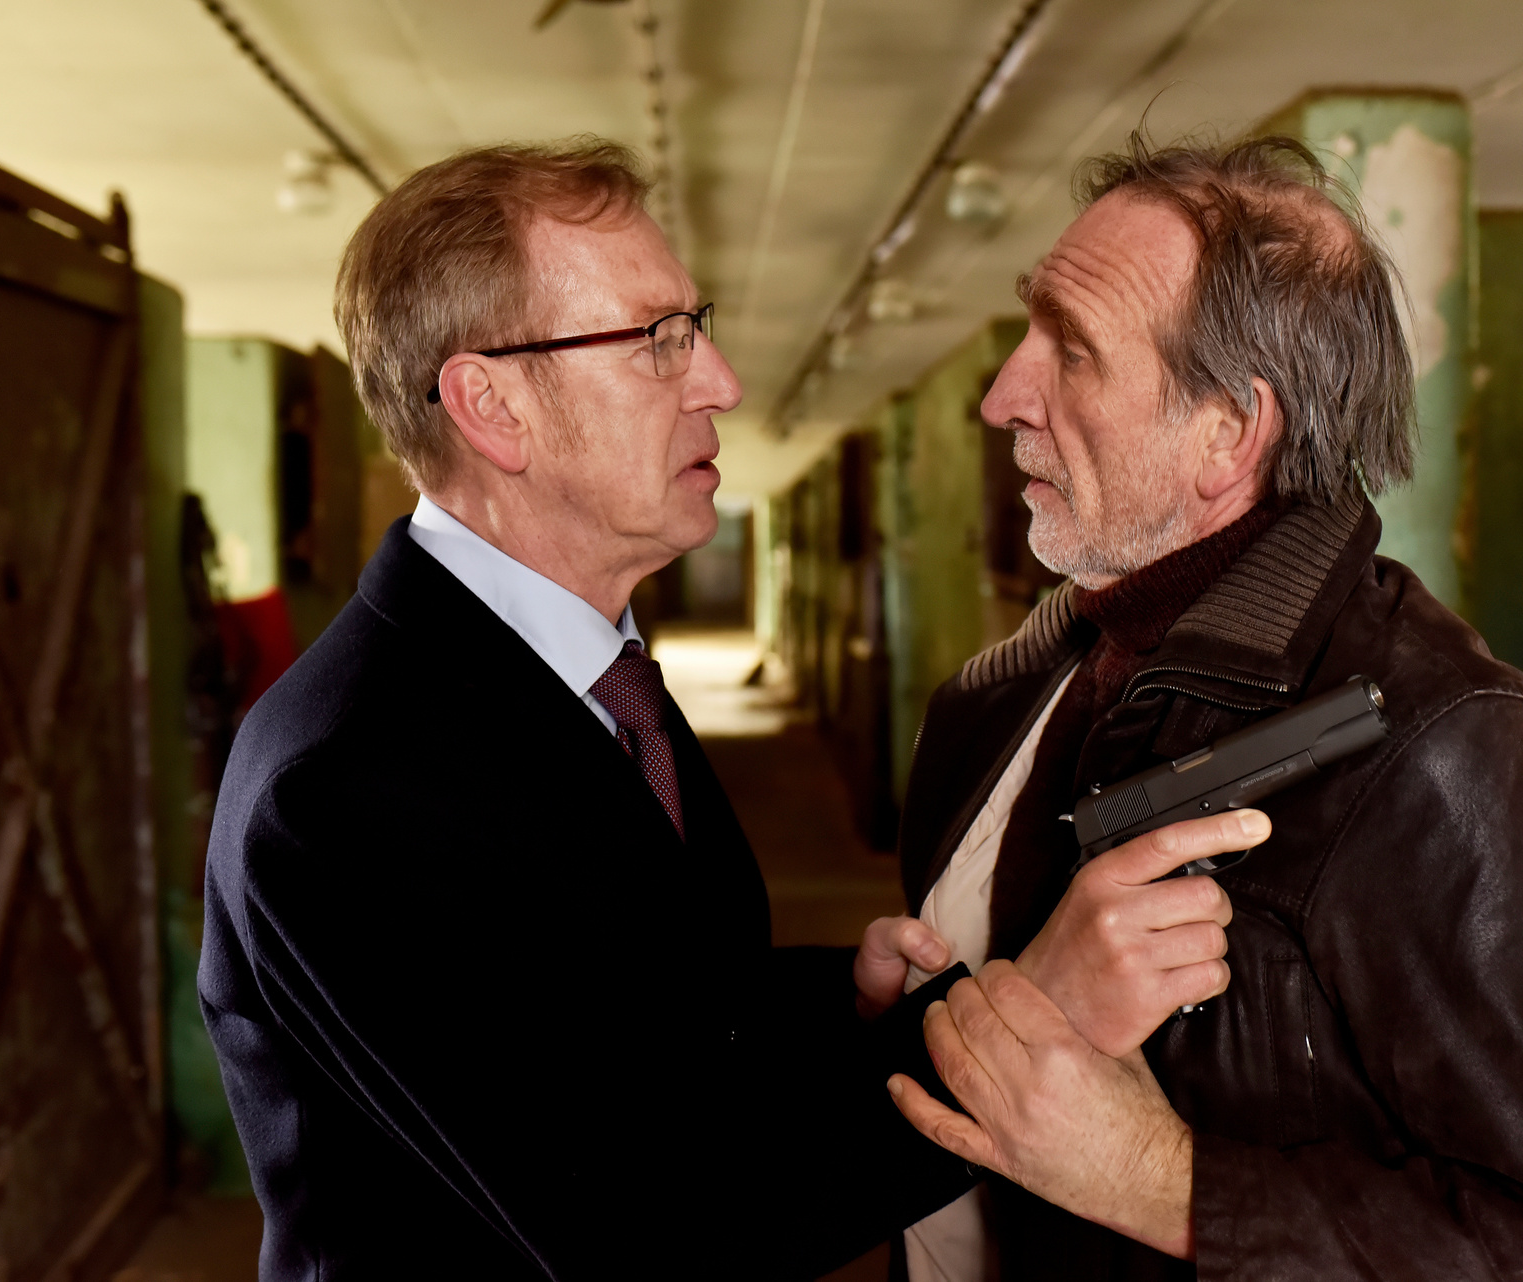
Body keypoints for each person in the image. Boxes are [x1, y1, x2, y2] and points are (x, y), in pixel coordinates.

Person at [196, 140, 1245, 1281]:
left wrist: (835, 1004)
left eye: (694, 325)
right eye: (658, 341)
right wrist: (1037, 1015)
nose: (721, 382)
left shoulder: (590, 672)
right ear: (492, 406)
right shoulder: (345, 783)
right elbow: (645, 1233)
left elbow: (625, 1010)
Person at [883, 134, 1523, 1280]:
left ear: (1229, 433)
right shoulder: (1002, 692)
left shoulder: (1454, 750)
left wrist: (1166, 1182)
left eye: (1072, 351)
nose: (1003, 396)